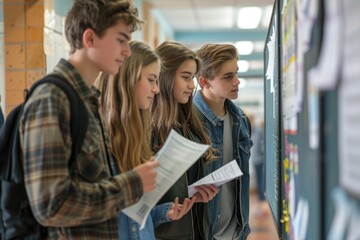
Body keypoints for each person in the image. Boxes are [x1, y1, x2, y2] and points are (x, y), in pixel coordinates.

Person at [18, 1, 159, 239]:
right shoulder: (53, 98)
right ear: (90, 39)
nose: (127, 51)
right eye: (120, 40)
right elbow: (50, 206)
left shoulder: (87, 99)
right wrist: (131, 184)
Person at [95, 40, 196, 240]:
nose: (157, 89)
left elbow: (137, 217)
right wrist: (131, 183)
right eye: (151, 80)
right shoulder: (94, 138)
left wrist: (164, 212)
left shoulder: (136, 138)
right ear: (128, 80)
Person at [152, 41, 218, 240]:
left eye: (193, 78)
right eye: (185, 77)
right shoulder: (148, 130)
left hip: (197, 230)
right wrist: (165, 211)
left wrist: (199, 193)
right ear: (165, 77)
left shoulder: (190, 125)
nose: (192, 85)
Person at [193, 43, 253, 240]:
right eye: (228, 77)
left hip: (236, 231)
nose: (237, 81)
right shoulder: (187, 121)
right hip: (203, 233)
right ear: (204, 81)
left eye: (236, 73)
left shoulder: (240, 119)